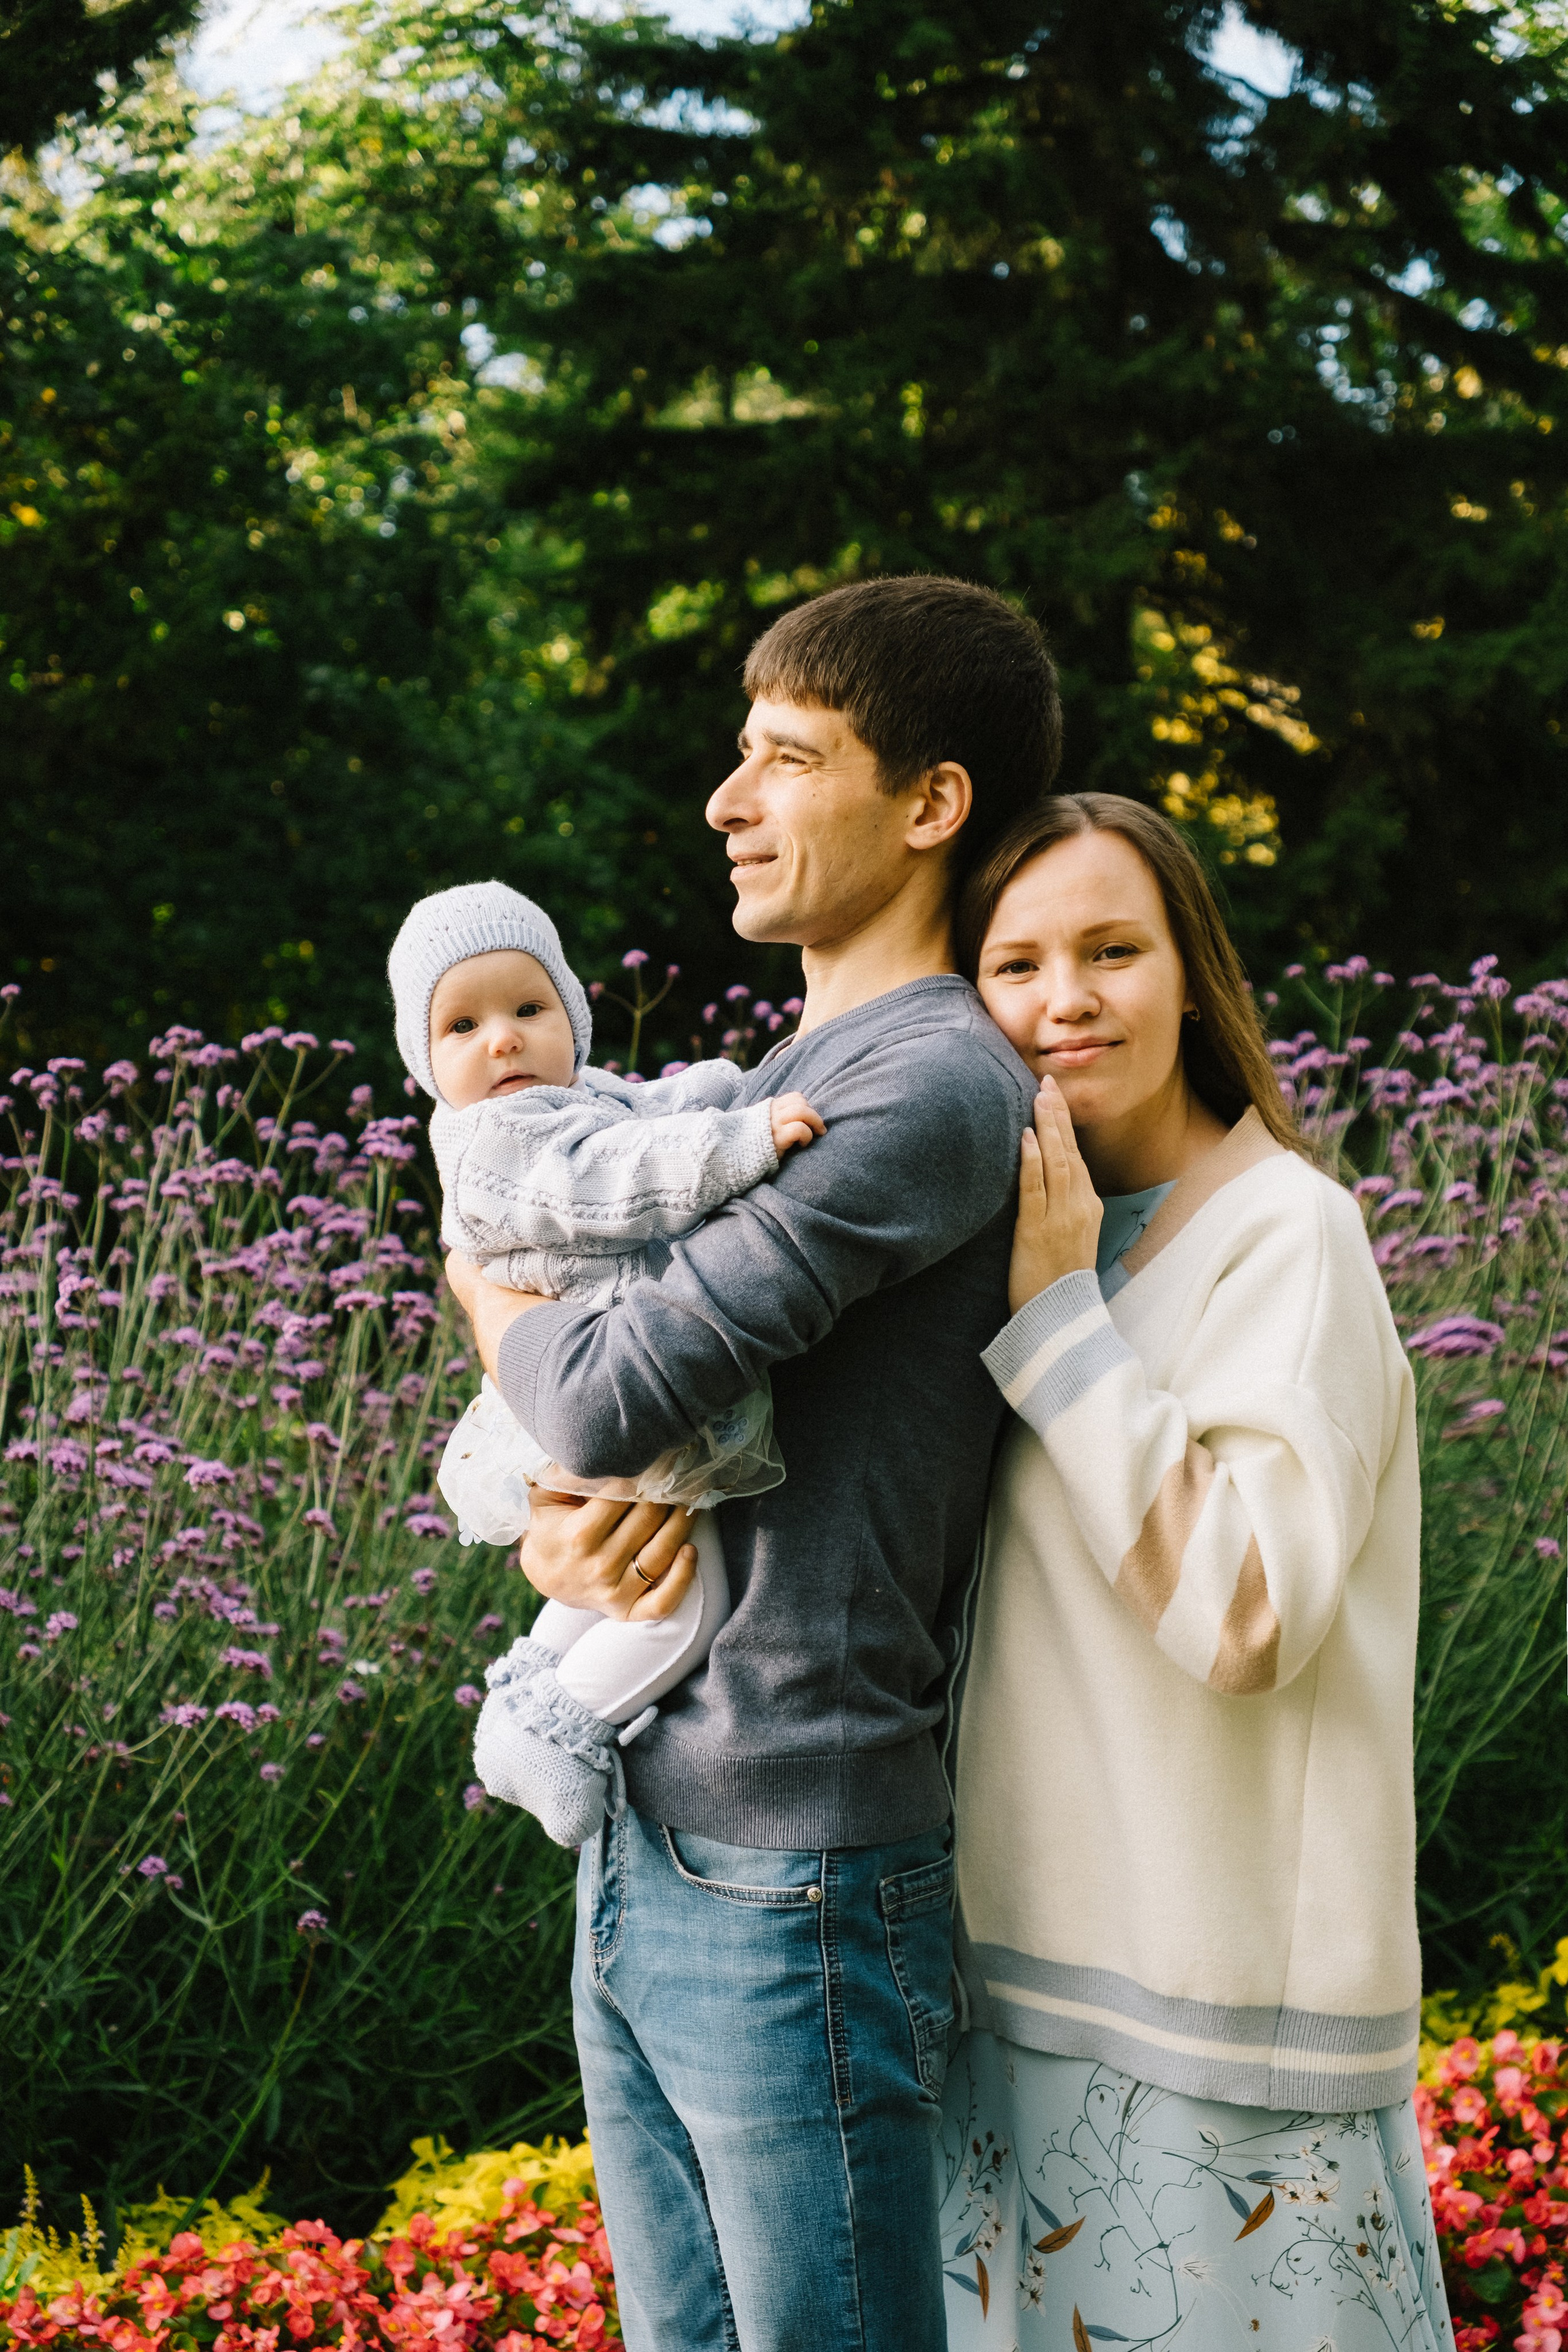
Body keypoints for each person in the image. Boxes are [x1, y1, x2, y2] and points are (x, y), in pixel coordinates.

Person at [443, 575, 1059, 2352]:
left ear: (932, 803)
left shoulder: (932, 1082)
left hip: (800, 1866)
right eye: (741, 753)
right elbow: (620, 1452)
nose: (728, 798)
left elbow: (595, 1392)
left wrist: (486, 1296)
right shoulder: (788, 1073)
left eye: (787, 758)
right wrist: (567, 1537)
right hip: (656, 1823)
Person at [937, 791, 1453, 2351]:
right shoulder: (1011, 1232)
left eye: (1111, 950)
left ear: (1190, 972)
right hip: (994, 2003)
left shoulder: (1284, 1239)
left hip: (1207, 2044)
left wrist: (1053, 1327)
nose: (1063, 1000)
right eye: (1013, 964)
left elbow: (1247, 1608)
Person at [385, 876, 823, 1847]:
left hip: (609, 1373)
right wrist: (742, 1138)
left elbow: (646, 1109)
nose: (502, 1038)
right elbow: (613, 1179)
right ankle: (563, 1727)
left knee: (621, 1574)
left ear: (572, 1016)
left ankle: (529, 1695)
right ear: (425, 1061)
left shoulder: (567, 1099)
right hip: (593, 1380)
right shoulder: (494, 1147)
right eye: (462, 1026)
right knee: (684, 1599)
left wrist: (726, 1089)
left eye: (528, 1008)